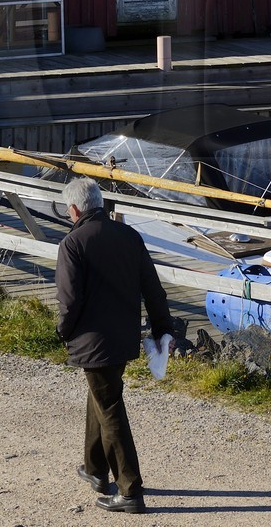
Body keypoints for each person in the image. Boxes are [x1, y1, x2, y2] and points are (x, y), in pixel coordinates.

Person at [56, 177, 175, 515]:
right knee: (101, 396)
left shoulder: (73, 243)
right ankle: (95, 470)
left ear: (76, 209)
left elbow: (69, 300)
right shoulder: (129, 236)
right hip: (123, 338)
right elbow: (152, 288)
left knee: (109, 407)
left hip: (93, 341)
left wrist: (63, 332)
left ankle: (130, 490)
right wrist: (162, 328)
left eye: (68, 209)